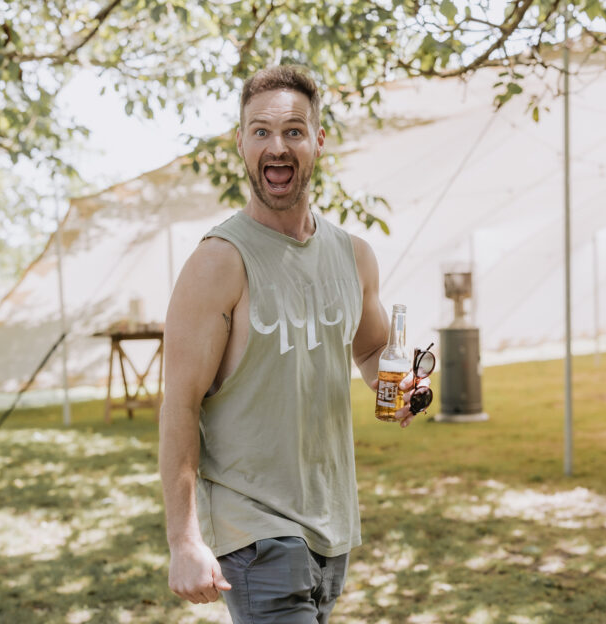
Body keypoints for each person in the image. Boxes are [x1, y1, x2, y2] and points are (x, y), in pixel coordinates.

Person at [159, 64, 422, 624]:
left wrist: (397, 388)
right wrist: (184, 541)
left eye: (294, 131)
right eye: (261, 131)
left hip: (332, 526)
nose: (277, 146)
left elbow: (372, 351)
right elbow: (178, 405)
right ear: (241, 142)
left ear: (318, 141)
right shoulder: (218, 261)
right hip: (255, 530)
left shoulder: (354, 255)